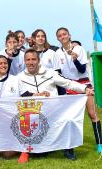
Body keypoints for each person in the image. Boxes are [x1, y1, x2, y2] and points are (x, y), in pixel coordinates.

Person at [17, 48, 94, 163]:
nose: (31, 62)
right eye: (28, 60)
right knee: (40, 155)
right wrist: (39, 95)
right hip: (34, 116)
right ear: (25, 61)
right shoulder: (20, 77)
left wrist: (85, 88)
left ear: (38, 61)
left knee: (69, 119)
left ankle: (68, 149)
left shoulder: (50, 73)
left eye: (34, 59)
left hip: (54, 113)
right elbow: (23, 94)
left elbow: (68, 83)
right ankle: (30, 150)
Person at [55, 27, 102, 155]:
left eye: (64, 34)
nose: (62, 37)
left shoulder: (78, 49)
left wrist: (75, 59)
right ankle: (71, 146)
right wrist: (62, 91)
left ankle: (100, 144)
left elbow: (81, 70)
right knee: (71, 118)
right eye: (59, 35)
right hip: (70, 85)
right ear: (57, 38)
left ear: (69, 35)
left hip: (84, 83)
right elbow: (58, 73)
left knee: (92, 114)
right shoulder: (57, 53)